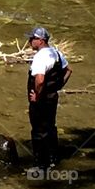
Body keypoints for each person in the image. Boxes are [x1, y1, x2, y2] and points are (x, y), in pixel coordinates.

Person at [26, 26, 72, 168]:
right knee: (50, 127)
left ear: (40, 40)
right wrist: (58, 86)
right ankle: (53, 159)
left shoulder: (40, 57)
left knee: (38, 130)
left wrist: (37, 96)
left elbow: (39, 80)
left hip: (41, 99)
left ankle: (40, 163)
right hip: (52, 97)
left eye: (32, 39)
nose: (29, 41)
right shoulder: (56, 53)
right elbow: (69, 71)